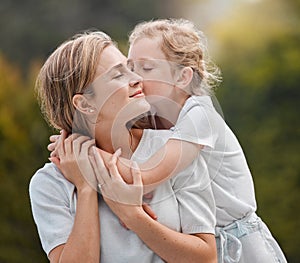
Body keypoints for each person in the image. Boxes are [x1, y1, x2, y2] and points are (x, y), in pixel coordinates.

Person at [50, 19, 287, 262]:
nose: (135, 78)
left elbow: (146, 176)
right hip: (212, 238)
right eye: (130, 67)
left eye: (147, 68)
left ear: (183, 78)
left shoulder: (199, 117)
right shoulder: (158, 120)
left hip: (242, 246)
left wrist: (84, 152)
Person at [29, 30, 217, 262]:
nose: (136, 78)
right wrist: (86, 188)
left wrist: (132, 215)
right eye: (118, 74)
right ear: (85, 103)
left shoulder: (173, 149)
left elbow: (206, 257)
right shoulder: (49, 183)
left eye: (130, 68)